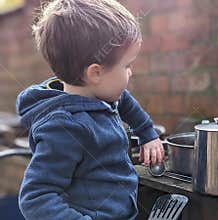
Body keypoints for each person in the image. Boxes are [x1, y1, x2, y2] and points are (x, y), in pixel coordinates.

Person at [15, 0, 164, 219]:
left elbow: (125, 101)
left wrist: (147, 134)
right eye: (127, 65)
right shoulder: (64, 128)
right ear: (95, 73)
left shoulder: (100, 94)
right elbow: (36, 198)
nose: (131, 72)